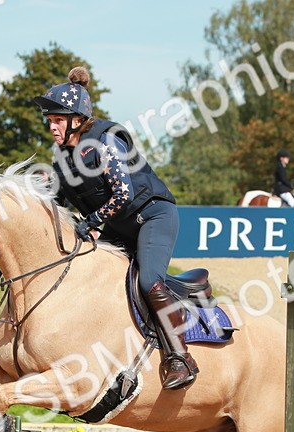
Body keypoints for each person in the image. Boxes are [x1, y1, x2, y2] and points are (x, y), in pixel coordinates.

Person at [34, 66, 196, 391]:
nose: (50, 125)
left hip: (153, 217)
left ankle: (180, 357)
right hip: (120, 227)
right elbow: (57, 204)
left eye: (57, 119)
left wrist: (91, 222)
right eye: (48, 119)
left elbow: (125, 193)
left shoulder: (106, 140)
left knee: (150, 281)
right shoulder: (62, 160)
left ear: (77, 119)